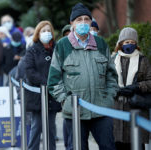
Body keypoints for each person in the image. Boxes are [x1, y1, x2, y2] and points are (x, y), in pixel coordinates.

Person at [47, 3, 118, 150]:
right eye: (79, 19)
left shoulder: (101, 44)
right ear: (72, 23)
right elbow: (53, 81)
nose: (83, 22)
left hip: (101, 110)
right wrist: (66, 101)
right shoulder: (62, 45)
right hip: (75, 113)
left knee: (109, 147)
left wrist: (109, 97)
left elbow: (112, 75)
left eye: (87, 19)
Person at [24, 21, 61, 150]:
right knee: (36, 127)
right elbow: (29, 71)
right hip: (37, 96)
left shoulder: (57, 48)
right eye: (43, 30)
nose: (46, 33)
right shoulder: (32, 50)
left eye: (48, 30)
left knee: (51, 129)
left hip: (52, 95)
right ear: (38, 33)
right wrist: (46, 81)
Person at [112, 27, 151, 150]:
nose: (130, 45)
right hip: (116, 108)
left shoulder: (143, 60)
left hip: (136, 107)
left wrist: (137, 87)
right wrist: (115, 89)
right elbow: (106, 80)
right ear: (121, 44)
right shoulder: (113, 60)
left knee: (137, 144)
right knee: (118, 144)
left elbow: (150, 81)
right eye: (127, 42)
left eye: (133, 42)